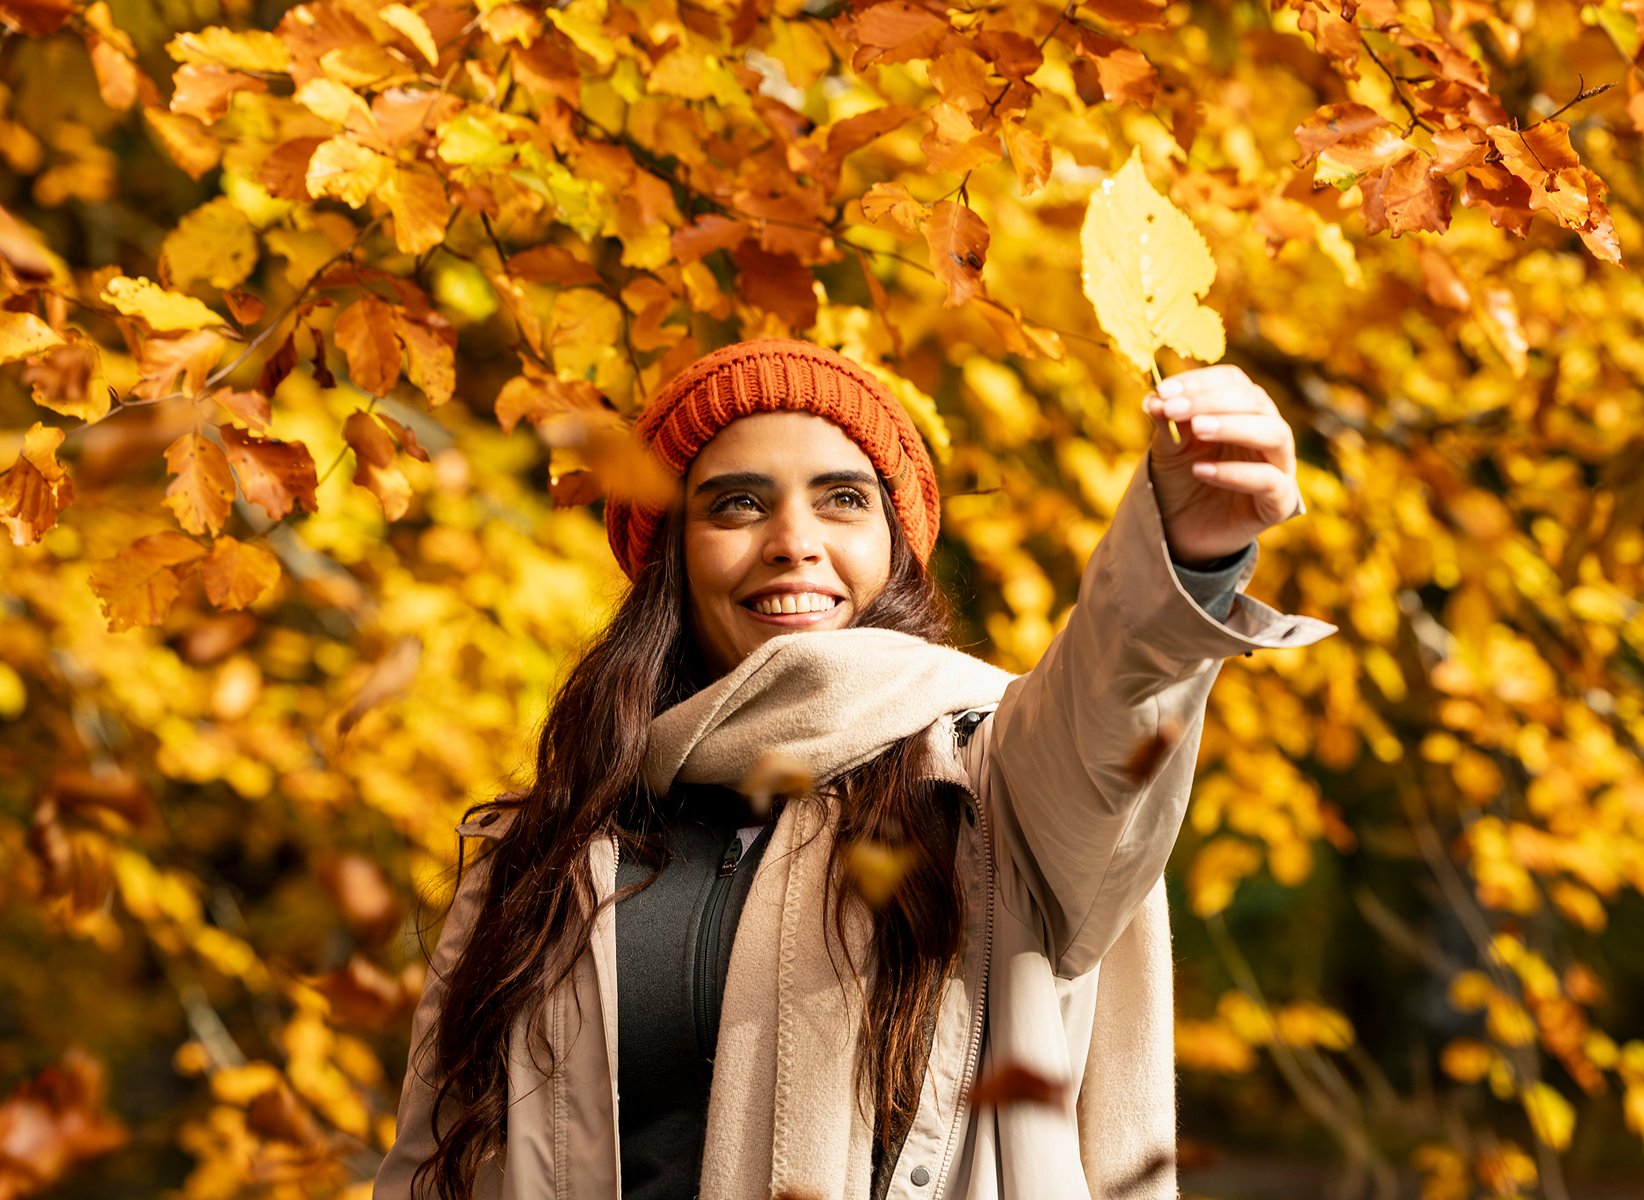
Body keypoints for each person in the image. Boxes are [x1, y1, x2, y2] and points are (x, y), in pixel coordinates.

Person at [372, 338, 1334, 1200]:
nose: (794, 540)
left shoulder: (992, 781)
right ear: (671, 555)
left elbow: (1117, 700)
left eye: (843, 499)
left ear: (895, 547)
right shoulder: (539, 852)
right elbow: (436, 1163)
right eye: (737, 503)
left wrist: (1183, 550)